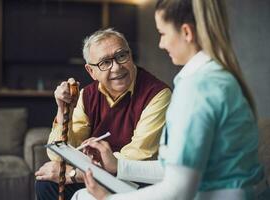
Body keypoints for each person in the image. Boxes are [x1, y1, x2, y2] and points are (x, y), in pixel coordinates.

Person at [73, 0, 269, 199]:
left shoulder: (197, 89)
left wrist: (107, 199)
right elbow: (179, 169)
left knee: (82, 197)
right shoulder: (219, 77)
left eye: (163, 33)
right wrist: (119, 165)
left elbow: (178, 190)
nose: (161, 43)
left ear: (186, 32)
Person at [34, 28, 171, 200]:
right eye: (105, 63)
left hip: (136, 177)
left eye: (121, 56)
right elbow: (58, 154)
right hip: (98, 171)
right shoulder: (87, 95)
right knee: (46, 185)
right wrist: (63, 110)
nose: (117, 67)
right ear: (91, 72)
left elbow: (136, 158)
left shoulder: (157, 94)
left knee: (61, 178)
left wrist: (74, 174)